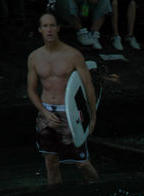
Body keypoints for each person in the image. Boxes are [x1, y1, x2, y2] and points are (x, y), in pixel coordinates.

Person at [27, 13, 99, 185]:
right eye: (45, 26)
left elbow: (88, 86)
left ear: (58, 28)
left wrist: (93, 116)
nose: (49, 29)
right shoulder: (34, 57)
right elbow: (31, 90)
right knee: (51, 162)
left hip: (70, 113)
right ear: (40, 30)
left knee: (82, 163)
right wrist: (43, 111)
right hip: (47, 114)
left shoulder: (73, 55)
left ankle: (100, 193)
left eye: (52, 25)